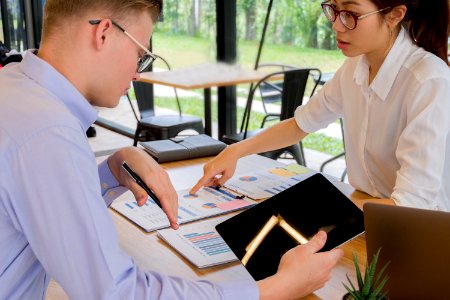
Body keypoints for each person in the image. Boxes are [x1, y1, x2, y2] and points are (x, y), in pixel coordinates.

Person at [0, 0, 343, 299]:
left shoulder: (16, 87)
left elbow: (30, 195)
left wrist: (110, 167)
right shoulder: (49, 133)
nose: (137, 73)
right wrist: (275, 289)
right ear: (103, 32)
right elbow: (119, 292)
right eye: (141, 53)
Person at [192, 0, 450, 211]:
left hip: (416, 232)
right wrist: (235, 151)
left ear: (394, 15)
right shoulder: (354, 67)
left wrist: (319, 210)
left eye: (351, 13)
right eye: (334, 10)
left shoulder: (428, 79)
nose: (337, 25)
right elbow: (300, 124)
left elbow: (412, 204)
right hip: (369, 215)